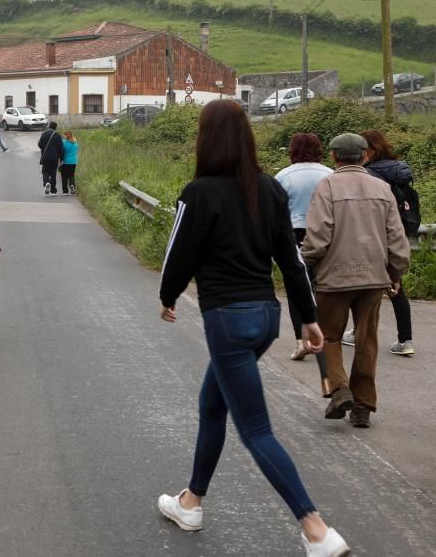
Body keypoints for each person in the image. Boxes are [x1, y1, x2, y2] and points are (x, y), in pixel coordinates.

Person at [158, 101, 350, 557]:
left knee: (256, 429)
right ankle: (191, 502)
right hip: (266, 316)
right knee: (212, 405)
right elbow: (291, 258)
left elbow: (178, 253)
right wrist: (307, 318)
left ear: (206, 140)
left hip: (227, 320)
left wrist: (168, 295)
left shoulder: (199, 192)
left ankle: (316, 528)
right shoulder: (267, 188)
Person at [302, 133, 411, 429]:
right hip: (374, 278)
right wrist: (396, 272)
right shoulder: (382, 188)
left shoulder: (326, 186)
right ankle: (363, 407)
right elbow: (396, 237)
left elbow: (319, 236)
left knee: (328, 336)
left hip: (334, 278)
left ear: (334, 157)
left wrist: (306, 260)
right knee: (367, 340)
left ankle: (339, 389)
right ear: (365, 156)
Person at [274, 133, 332, 361]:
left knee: (296, 284)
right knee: (322, 285)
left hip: (294, 233)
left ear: (292, 150)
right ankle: (323, 335)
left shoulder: (283, 176)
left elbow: (275, 211)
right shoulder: (329, 174)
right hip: (324, 233)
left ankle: (301, 340)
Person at [360, 129, 416, 356]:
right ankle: (406, 340)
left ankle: (358, 334)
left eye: (363, 150)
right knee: (395, 285)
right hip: (397, 231)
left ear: (372, 150)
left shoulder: (369, 174)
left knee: (365, 285)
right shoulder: (398, 169)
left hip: (374, 232)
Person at [38, 121, 63, 196]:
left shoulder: (44, 133)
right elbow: (61, 148)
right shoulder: (57, 135)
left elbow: (39, 144)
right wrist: (62, 159)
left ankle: (46, 182)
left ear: (49, 126)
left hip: (45, 157)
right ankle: (53, 190)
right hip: (55, 158)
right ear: (55, 127)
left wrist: (44, 149)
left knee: (45, 171)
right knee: (53, 173)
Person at [60, 130, 78, 195]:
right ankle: (72, 185)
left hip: (65, 162)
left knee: (64, 177)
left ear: (66, 135)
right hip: (74, 162)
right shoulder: (75, 143)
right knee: (71, 175)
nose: (63, 136)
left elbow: (62, 152)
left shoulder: (64, 143)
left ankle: (65, 191)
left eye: (64, 135)